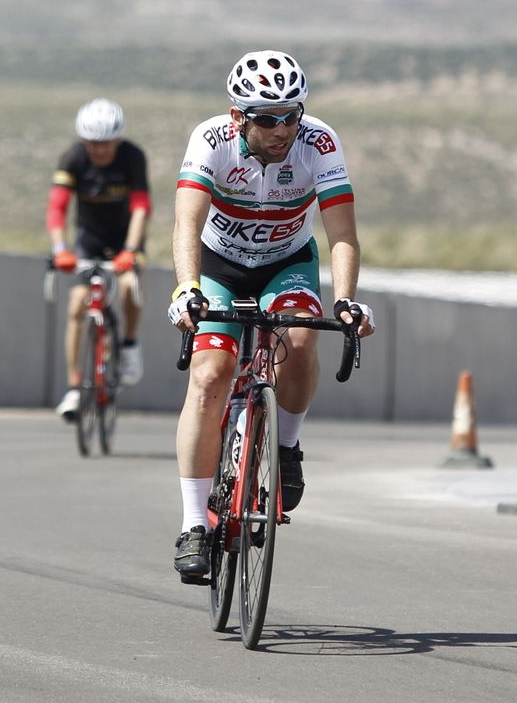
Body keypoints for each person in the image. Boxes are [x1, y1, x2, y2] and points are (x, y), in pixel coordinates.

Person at [166, 50, 375, 582]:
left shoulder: (318, 142)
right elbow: (186, 222)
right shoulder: (210, 140)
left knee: (301, 340)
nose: (282, 129)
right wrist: (188, 288)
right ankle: (194, 524)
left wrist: (346, 300)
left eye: (290, 115)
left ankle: (285, 447)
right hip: (220, 265)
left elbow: (342, 233)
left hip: (287, 262)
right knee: (209, 375)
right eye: (267, 118)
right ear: (238, 116)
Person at [49, 98, 150, 421]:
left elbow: (141, 208)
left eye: (106, 143)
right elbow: (57, 208)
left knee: (128, 287)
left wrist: (130, 251)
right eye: (93, 144)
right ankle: (74, 388)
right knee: (76, 305)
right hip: (89, 239)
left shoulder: (132, 157)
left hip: (125, 237)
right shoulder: (73, 158)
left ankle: (129, 345)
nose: (100, 150)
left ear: (117, 140)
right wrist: (60, 249)